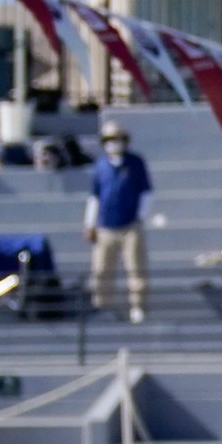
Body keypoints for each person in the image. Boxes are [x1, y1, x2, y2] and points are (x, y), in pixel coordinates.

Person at [84, 120, 152, 322]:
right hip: (106, 227)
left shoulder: (135, 163)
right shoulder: (100, 166)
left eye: (117, 139)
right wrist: (90, 224)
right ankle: (103, 307)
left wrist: (140, 217)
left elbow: (146, 193)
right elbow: (95, 197)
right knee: (101, 270)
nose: (114, 143)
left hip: (131, 226)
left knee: (136, 269)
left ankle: (138, 307)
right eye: (109, 140)